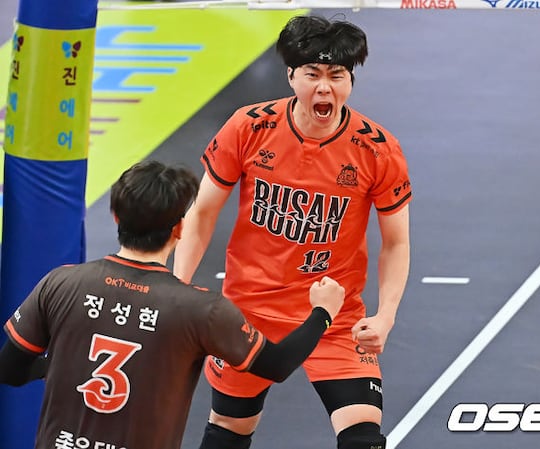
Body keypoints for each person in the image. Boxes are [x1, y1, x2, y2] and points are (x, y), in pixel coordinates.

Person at [174, 14, 412, 449]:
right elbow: (202, 212)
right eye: (312, 74)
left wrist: (386, 315)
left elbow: (396, 243)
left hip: (336, 317)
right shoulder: (248, 126)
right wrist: (177, 288)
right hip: (247, 314)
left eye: (337, 76)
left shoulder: (377, 149)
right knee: (228, 432)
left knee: (363, 438)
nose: (324, 88)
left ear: (351, 80)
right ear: (290, 76)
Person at [0, 160, 345, 449]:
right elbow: (276, 365)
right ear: (179, 228)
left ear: (116, 216)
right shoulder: (202, 309)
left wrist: (55, 365)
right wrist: (323, 313)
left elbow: (10, 369)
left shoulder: (60, 283)